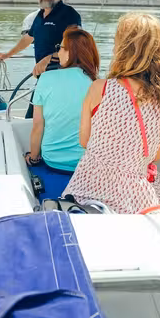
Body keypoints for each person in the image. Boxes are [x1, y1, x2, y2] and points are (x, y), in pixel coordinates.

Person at [63, 13, 160, 213]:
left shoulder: (99, 88)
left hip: (90, 188)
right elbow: (156, 155)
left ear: (122, 48)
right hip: (138, 197)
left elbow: (84, 141)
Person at [26, 27, 100, 200]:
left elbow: (38, 126)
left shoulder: (46, 78)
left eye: (61, 47)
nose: (58, 51)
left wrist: (33, 157)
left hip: (52, 160)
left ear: (71, 52)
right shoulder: (97, 84)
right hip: (84, 164)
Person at [0, 0, 82, 117]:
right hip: (44, 79)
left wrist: (49, 58)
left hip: (63, 79)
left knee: (41, 120)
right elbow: (28, 39)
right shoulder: (39, 16)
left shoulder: (69, 14)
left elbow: (76, 46)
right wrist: (7, 55)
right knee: (33, 119)